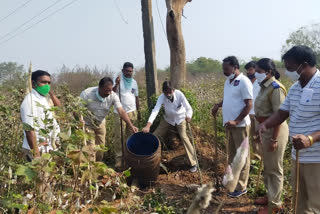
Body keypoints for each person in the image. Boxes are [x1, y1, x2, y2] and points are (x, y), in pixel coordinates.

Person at [259, 46, 320, 214]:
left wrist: (310, 139)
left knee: (315, 204)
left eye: (290, 68)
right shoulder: (295, 87)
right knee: (299, 202)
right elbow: (282, 113)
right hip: (298, 155)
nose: (287, 72)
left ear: (304, 65)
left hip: (316, 158)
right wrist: (266, 124)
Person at [212, 56, 253, 198]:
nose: (224, 71)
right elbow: (229, 98)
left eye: (226, 69)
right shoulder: (228, 81)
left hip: (240, 126)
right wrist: (218, 105)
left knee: (242, 157)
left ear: (235, 67)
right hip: (229, 125)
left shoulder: (244, 82)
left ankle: (241, 186)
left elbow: (249, 104)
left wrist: (236, 121)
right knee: (231, 155)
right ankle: (231, 182)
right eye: (223, 69)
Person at [253, 58, 289, 214]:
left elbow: (279, 116)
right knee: (268, 166)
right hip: (265, 129)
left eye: (259, 71)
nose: (256, 74)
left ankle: (275, 205)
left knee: (274, 168)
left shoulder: (276, 88)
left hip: (275, 130)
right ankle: (270, 196)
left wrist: (274, 138)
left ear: (269, 72)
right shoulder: (263, 87)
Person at [142, 81, 198, 173]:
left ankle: (193, 163)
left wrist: (189, 116)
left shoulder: (179, 94)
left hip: (180, 119)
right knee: (155, 135)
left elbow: (188, 108)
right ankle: (148, 158)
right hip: (168, 119)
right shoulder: (161, 97)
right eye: (166, 92)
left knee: (184, 137)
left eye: (170, 92)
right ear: (163, 91)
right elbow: (155, 110)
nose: (168, 94)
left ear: (173, 90)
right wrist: (148, 125)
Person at [80, 77, 138, 163]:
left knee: (101, 148)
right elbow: (78, 110)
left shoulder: (113, 95)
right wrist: (80, 121)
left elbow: (121, 111)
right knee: (91, 149)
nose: (109, 93)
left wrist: (131, 125)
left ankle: (97, 166)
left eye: (110, 90)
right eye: (106, 90)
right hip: (88, 124)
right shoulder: (87, 94)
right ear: (99, 87)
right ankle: (91, 171)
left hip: (101, 123)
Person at [20, 70, 61, 161]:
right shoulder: (29, 102)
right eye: (43, 82)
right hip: (38, 149)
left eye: (49, 83)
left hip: (48, 147)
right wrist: (36, 155)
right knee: (40, 175)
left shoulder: (43, 98)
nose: (47, 85)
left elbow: (59, 107)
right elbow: (29, 130)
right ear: (33, 83)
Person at [112, 62, 140, 168]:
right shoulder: (118, 80)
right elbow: (112, 93)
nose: (129, 73)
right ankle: (119, 160)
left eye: (131, 71)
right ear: (123, 70)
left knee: (131, 136)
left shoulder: (134, 82)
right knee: (119, 137)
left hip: (132, 112)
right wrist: (116, 84)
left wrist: (139, 111)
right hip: (119, 112)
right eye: (127, 71)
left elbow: (136, 97)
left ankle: (130, 158)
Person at [245, 61, 262, 160]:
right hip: (248, 114)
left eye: (250, 70)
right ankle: (254, 159)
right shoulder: (247, 82)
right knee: (251, 138)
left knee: (258, 138)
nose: (248, 72)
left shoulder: (260, 83)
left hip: (257, 114)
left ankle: (259, 159)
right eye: (247, 70)